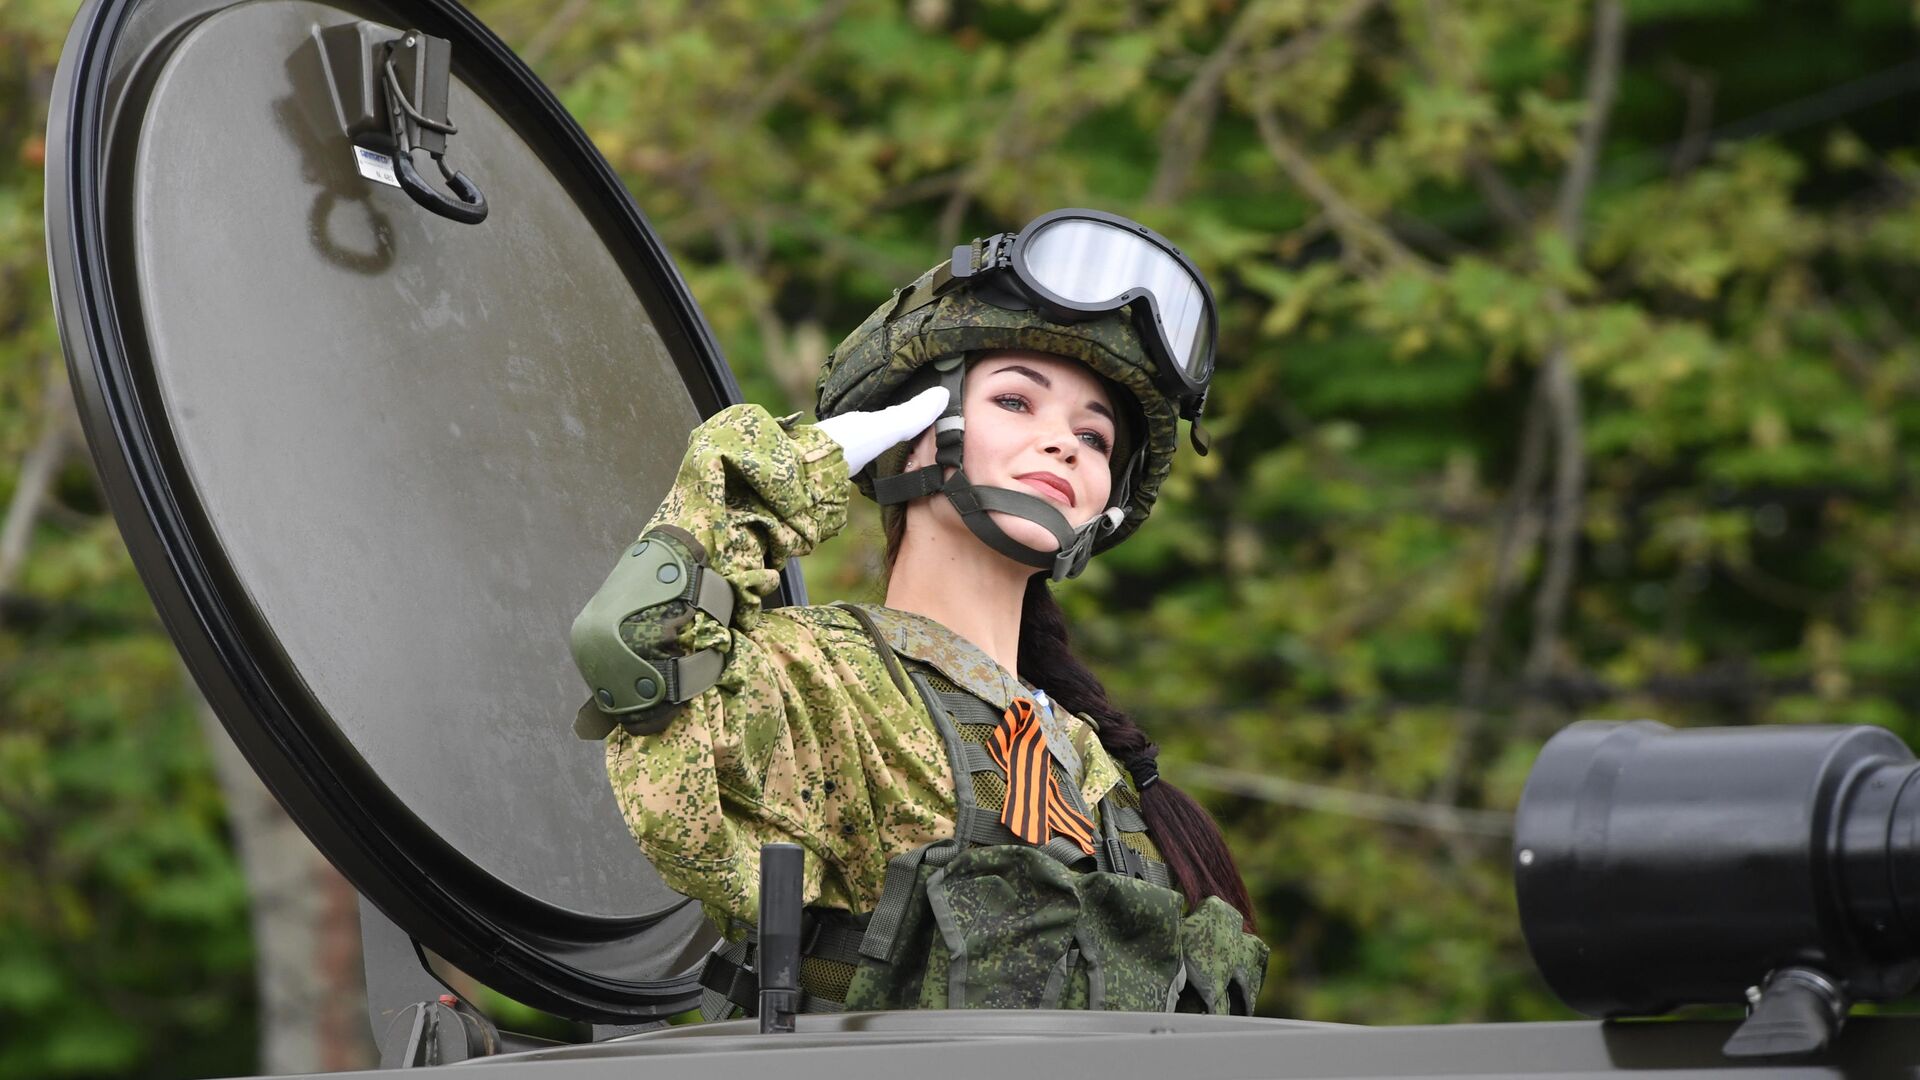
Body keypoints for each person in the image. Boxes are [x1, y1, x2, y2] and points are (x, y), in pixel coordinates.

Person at [570, 209, 1269, 1016]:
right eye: (1016, 401)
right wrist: (802, 465)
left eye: (1096, 436)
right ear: (911, 431)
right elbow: (633, 646)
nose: (1066, 444)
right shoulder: (819, 682)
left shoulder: (1103, 779)